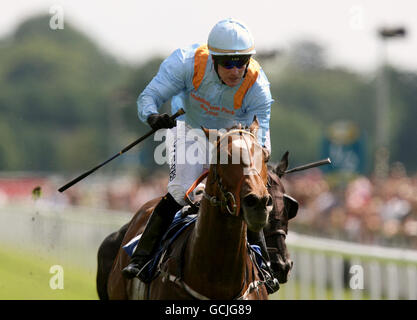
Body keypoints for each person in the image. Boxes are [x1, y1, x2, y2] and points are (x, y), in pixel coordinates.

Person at [122, 18, 276, 290]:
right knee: (181, 191)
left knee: (250, 191)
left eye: (242, 62)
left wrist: (259, 157)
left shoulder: (257, 84)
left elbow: (261, 133)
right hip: (192, 130)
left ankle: (263, 263)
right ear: (214, 58)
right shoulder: (186, 63)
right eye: (228, 63)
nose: (236, 70)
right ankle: (143, 257)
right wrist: (153, 116)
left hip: (236, 135)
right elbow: (149, 97)